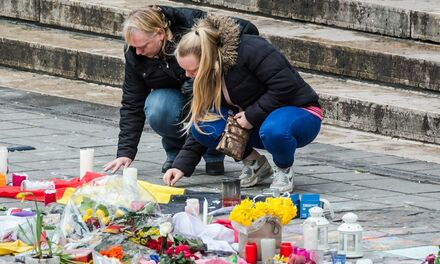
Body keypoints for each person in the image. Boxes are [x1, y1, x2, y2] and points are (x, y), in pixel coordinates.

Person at [163, 15, 322, 192]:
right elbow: (204, 119)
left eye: (193, 70)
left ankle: (284, 170)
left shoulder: (252, 48)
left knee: (274, 130)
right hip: (257, 120)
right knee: (203, 125)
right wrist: (180, 166)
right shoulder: (207, 74)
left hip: (300, 112)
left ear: (208, 60)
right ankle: (255, 164)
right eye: (184, 70)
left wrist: (251, 115)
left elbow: (286, 86)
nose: (187, 75)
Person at [103, 5, 259, 175]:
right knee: (158, 106)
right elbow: (132, 102)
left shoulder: (190, 23)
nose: (138, 52)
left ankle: (213, 153)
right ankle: (175, 153)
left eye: (143, 46)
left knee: (208, 105)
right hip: (173, 98)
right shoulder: (135, 52)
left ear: (160, 33)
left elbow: (245, 29)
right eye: (134, 47)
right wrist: (125, 152)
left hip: (210, 91)